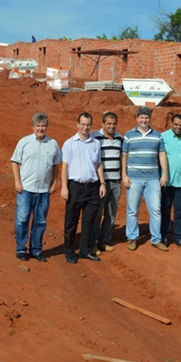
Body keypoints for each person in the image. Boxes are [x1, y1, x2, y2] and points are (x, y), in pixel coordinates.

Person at [11, 112, 62, 262]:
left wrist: (54, 183)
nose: (41, 128)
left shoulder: (53, 144)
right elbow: (15, 161)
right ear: (33, 127)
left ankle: (36, 250)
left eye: (43, 126)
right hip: (26, 189)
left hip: (43, 191)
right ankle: (21, 249)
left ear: (47, 127)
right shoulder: (24, 142)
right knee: (22, 220)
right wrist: (17, 182)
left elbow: (56, 165)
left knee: (40, 221)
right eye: (38, 126)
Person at [61, 113, 107, 264]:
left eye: (88, 124)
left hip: (92, 188)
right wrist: (64, 187)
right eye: (83, 124)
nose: (85, 127)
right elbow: (64, 167)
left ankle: (85, 251)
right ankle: (69, 251)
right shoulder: (69, 143)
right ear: (77, 124)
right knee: (71, 222)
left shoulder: (95, 143)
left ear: (91, 125)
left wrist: (102, 183)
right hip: (75, 188)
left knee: (89, 222)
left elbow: (99, 164)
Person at [122, 106, 168, 251]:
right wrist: (124, 174)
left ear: (150, 119)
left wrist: (165, 174)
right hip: (134, 179)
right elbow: (124, 156)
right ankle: (132, 238)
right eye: (141, 117)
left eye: (146, 117)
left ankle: (156, 239)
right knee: (132, 210)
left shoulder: (157, 135)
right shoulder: (129, 135)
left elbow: (161, 155)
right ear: (137, 118)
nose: (144, 120)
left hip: (153, 179)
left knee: (155, 210)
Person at [90, 112, 123, 254]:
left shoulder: (120, 137)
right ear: (102, 123)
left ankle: (104, 241)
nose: (111, 126)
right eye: (108, 123)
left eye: (114, 123)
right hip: (101, 183)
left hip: (116, 181)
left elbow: (123, 157)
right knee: (96, 213)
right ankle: (92, 243)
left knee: (111, 213)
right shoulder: (94, 137)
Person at [160, 114, 181, 248]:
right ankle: (165, 236)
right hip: (166, 181)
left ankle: (178, 237)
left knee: (180, 211)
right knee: (165, 209)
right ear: (171, 124)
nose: (178, 127)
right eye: (176, 124)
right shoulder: (163, 137)